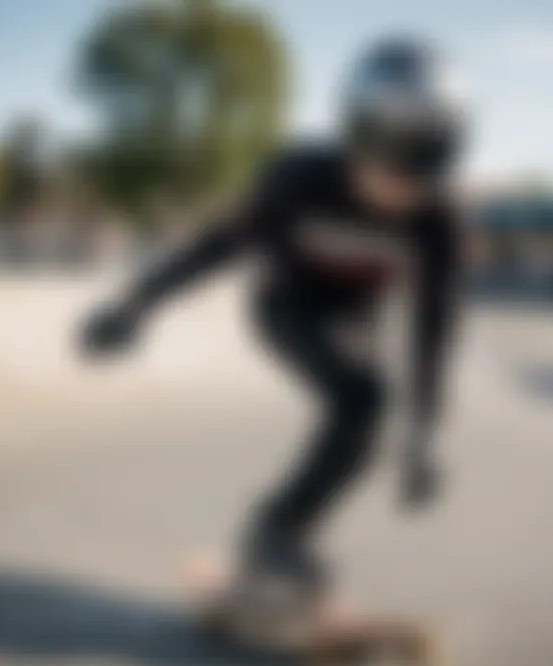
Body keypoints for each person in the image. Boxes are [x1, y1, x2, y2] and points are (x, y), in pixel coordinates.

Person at [81, 37, 466, 605]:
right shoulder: (299, 180)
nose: (401, 195)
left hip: (356, 322)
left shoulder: (439, 221)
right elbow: (214, 248)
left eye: (421, 178)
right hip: (285, 305)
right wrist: (134, 306)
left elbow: (433, 328)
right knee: (364, 397)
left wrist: (426, 432)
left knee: (369, 421)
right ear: (356, 141)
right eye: (391, 173)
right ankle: (273, 533)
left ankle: (286, 533)